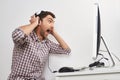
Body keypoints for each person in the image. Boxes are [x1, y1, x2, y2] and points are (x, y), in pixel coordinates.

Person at [8, 11, 71, 80]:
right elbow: (17, 35)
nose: (52, 26)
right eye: (50, 21)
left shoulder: (47, 44)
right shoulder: (26, 37)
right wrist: (34, 23)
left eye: (53, 23)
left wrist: (53, 32)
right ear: (39, 21)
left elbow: (66, 50)